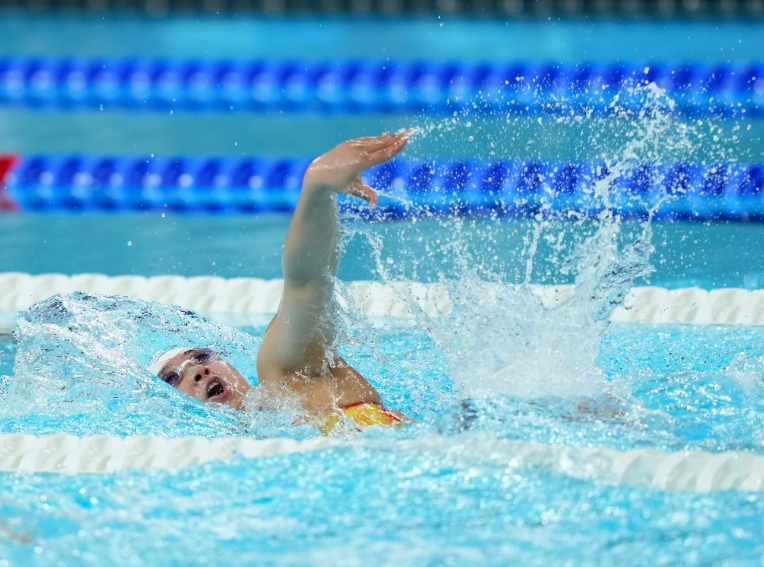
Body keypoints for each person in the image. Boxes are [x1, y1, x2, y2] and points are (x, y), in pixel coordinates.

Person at [147, 131, 411, 434]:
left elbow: (307, 284)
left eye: (202, 356)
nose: (196, 370)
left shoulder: (287, 380)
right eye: (172, 379)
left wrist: (317, 188)